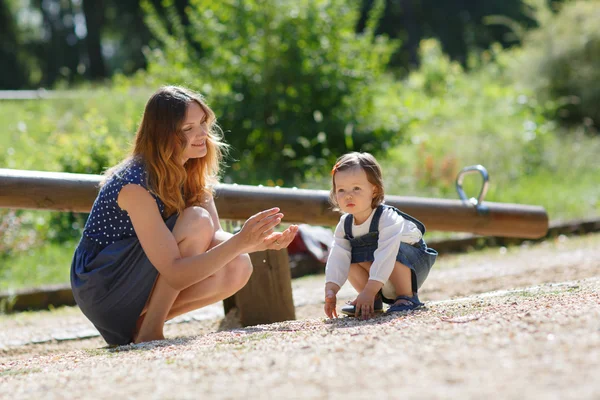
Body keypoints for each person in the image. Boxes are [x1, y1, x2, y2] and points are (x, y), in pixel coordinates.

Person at [70, 86, 298, 346]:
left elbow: (213, 240)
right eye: (188, 128)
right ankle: (151, 329)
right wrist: (240, 241)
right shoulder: (134, 184)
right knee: (199, 224)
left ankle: (141, 327)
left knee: (238, 265)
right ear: (164, 135)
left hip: (136, 278)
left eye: (202, 123)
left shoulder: (191, 170)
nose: (202, 134)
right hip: (103, 285)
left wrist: (256, 243)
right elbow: (177, 271)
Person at [323, 152, 437, 319]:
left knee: (392, 248)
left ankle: (406, 297)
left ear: (374, 190)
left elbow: (386, 254)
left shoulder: (386, 217)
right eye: (341, 190)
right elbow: (337, 256)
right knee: (346, 255)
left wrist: (370, 288)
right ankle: (372, 299)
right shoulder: (345, 224)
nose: (348, 195)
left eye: (356, 188)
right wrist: (331, 289)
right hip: (379, 277)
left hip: (410, 267)